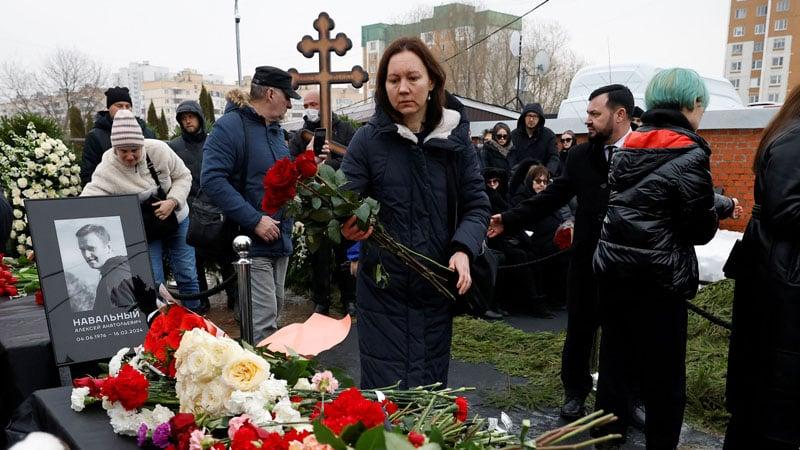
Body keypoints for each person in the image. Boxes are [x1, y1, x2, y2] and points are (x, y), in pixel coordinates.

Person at [341, 37, 490, 389]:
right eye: (393, 81)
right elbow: (344, 201)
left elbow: (477, 204)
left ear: (433, 81)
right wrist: (348, 227)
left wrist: (463, 248)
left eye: (413, 77)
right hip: (383, 290)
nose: (403, 88)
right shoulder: (368, 141)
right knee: (385, 397)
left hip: (434, 289)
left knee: (429, 392)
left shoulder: (455, 141)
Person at [488, 84, 635, 419]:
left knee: (623, 338)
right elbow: (552, 198)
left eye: (595, 114)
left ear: (620, 114)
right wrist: (508, 220)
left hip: (628, 265)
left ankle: (624, 402)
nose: (588, 120)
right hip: (585, 262)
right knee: (579, 332)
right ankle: (574, 392)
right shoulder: (582, 155)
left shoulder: (645, 152)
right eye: (588, 113)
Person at [591, 68, 719, 449]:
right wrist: (716, 210)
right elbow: (699, 228)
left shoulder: (629, 144)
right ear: (693, 104)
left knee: (615, 370)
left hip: (615, 274)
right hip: (660, 283)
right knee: (664, 382)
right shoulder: (690, 150)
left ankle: (604, 441)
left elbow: (635, 204)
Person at [723, 86, 800, 450]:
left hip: (778, 279)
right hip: (782, 285)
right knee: (772, 401)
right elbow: (786, 210)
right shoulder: (796, 138)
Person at [201, 66, 298, 342]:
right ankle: (261, 383)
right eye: (287, 96)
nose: (290, 103)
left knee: (273, 316)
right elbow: (211, 179)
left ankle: (265, 381)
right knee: (263, 327)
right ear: (270, 93)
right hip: (251, 244)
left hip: (280, 241)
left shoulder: (276, 132)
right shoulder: (230, 127)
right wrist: (254, 219)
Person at [81, 109, 200, 310]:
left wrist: (173, 201)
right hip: (143, 228)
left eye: (134, 149)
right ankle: (163, 327)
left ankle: (195, 316)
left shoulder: (159, 150)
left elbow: (183, 176)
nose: (129, 156)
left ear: (142, 144)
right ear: (114, 148)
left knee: (187, 273)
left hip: (177, 218)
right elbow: (88, 198)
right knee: (152, 278)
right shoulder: (107, 167)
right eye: (123, 151)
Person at [288, 90, 357, 316]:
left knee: (345, 252)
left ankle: (349, 299)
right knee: (318, 255)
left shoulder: (345, 130)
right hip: (313, 205)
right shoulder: (301, 136)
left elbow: (354, 161)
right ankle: (321, 300)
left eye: (314, 103)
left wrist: (326, 167)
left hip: (341, 201)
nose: (310, 108)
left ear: (325, 105)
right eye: (306, 104)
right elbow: (292, 166)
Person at [168, 100, 214, 314]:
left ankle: (235, 297)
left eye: (191, 116)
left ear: (199, 118)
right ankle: (201, 300)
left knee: (223, 254)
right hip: (187, 207)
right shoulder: (173, 147)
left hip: (214, 207)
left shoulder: (213, 142)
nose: (188, 120)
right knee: (194, 259)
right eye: (183, 117)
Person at [80, 87, 155, 186]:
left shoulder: (146, 132)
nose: (124, 109)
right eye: (119, 106)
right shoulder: (95, 136)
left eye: (128, 106)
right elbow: (89, 173)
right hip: (113, 194)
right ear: (108, 108)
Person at [75, 224, 135, 311]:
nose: (86, 255)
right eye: (82, 250)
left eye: (91, 248)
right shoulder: (122, 268)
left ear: (108, 247)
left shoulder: (115, 276)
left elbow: (125, 319)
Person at [508, 103, 559, 180]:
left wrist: (547, 173)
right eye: (529, 115)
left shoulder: (549, 135)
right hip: (518, 178)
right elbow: (510, 157)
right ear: (524, 117)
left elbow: (554, 157)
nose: (531, 119)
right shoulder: (513, 135)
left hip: (541, 179)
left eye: (535, 116)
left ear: (540, 118)